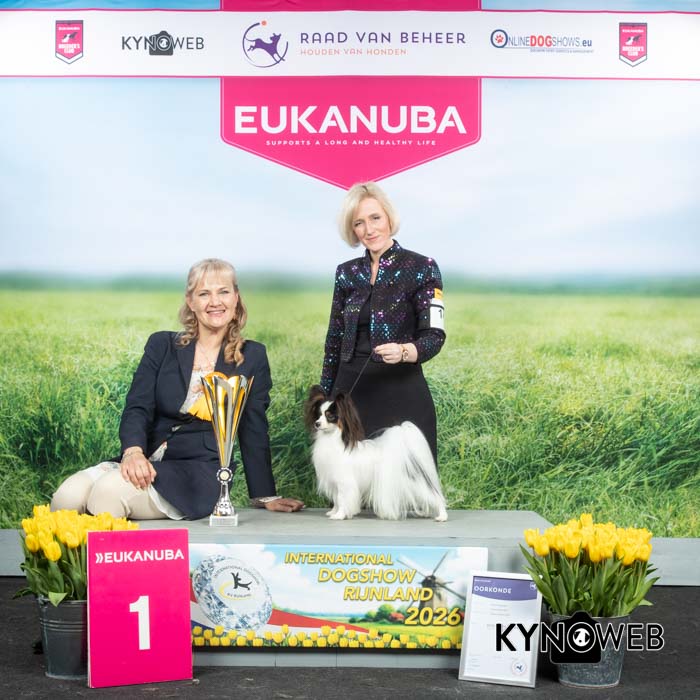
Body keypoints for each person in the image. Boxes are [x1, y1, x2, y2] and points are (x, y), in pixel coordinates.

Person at [52, 258, 304, 520]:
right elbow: (138, 406)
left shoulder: (252, 356)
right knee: (67, 497)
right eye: (204, 294)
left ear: (236, 298)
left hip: (196, 473)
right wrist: (133, 452)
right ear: (190, 301)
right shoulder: (161, 345)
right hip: (144, 458)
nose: (215, 302)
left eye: (223, 292)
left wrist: (265, 494)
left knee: (107, 493)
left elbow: (253, 427)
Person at [320, 182, 446, 462]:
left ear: (389, 217)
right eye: (359, 223)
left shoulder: (422, 267)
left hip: (401, 389)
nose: (369, 229)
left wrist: (404, 351)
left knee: (408, 478)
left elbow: (434, 336)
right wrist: (326, 397)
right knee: (347, 482)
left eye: (375, 218)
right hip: (350, 394)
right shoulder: (346, 273)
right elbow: (334, 341)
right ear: (353, 230)